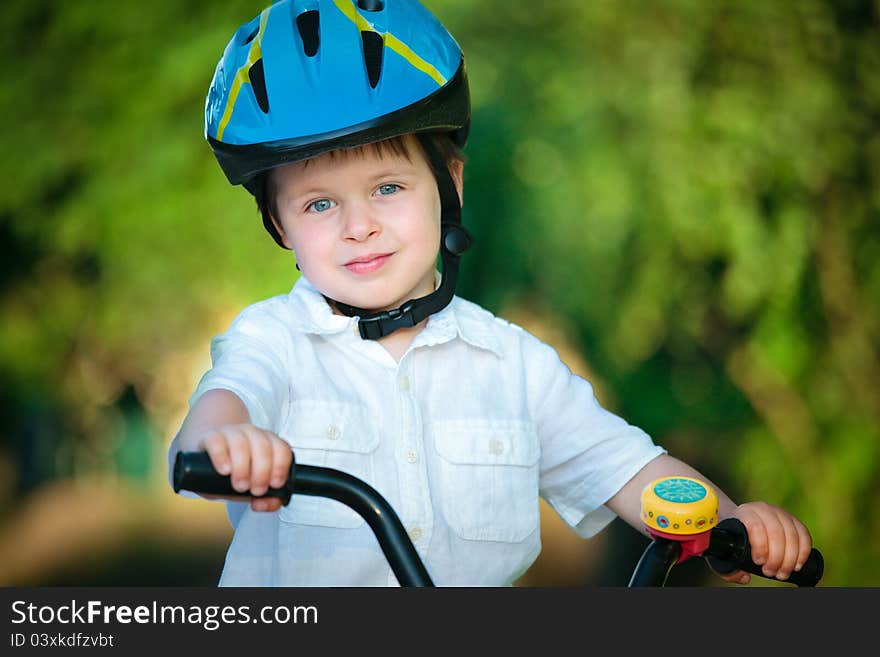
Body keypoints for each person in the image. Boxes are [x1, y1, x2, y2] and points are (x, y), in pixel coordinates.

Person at [168, 0, 813, 586]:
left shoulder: (514, 366)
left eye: (388, 188)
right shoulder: (274, 341)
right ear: (279, 222)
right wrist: (229, 444)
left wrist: (734, 525)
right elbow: (217, 412)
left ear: (450, 181)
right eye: (318, 203)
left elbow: (626, 467)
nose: (357, 225)